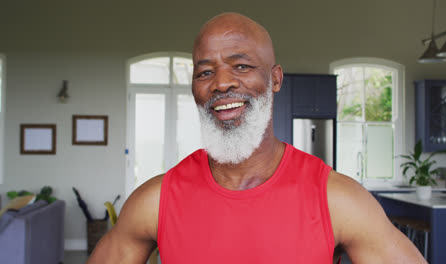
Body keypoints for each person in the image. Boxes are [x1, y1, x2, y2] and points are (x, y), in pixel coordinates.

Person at [88, 13, 426, 264]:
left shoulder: (337, 199)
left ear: (275, 79)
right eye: (205, 72)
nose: (221, 83)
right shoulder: (154, 201)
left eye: (241, 66)